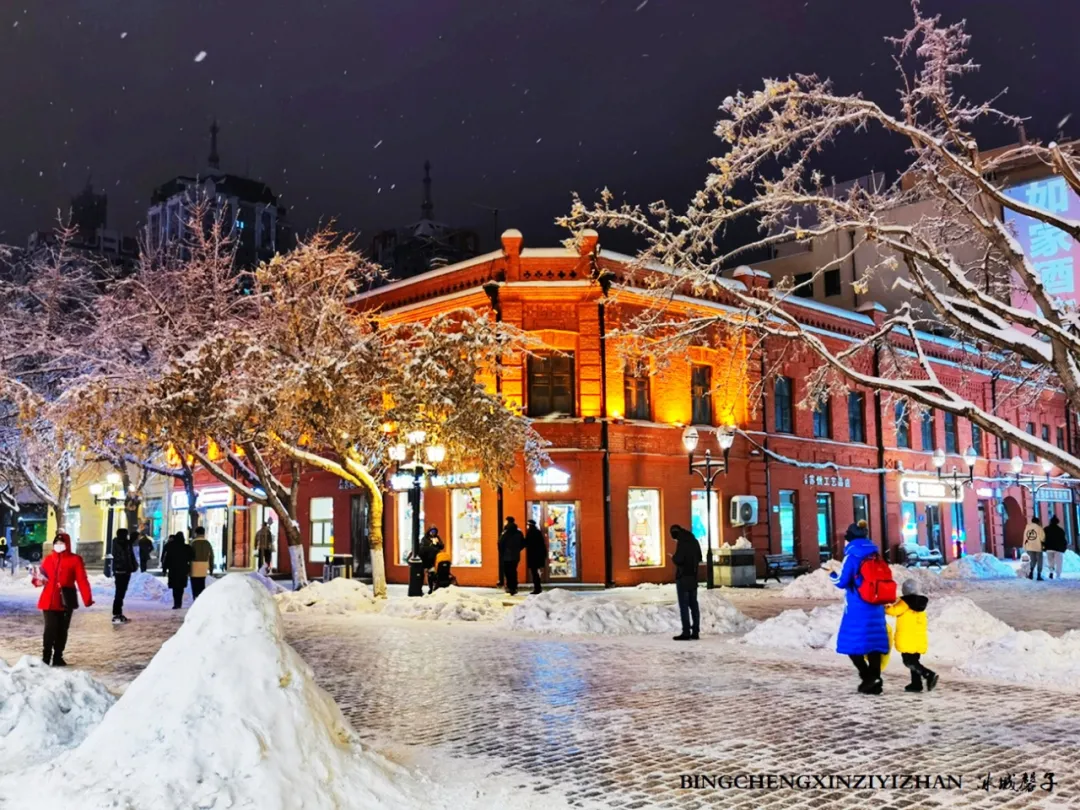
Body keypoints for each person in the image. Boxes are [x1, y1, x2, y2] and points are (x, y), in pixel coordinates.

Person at [832, 522, 891, 694]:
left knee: (851, 644)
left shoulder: (852, 556)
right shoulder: (875, 554)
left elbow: (842, 582)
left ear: (850, 537)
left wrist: (831, 574)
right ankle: (876, 680)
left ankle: (868, 677)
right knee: (873, 645)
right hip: (876, 604)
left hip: (857, 608)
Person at [33, 532, 93, 666]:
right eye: (56, 543)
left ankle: (58, 656)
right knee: (50, 628)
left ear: (67, 544)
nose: (59, 546)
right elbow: (41, 577)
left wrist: (87, 598)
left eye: (61, 543)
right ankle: (46, 656)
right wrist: (37, 579)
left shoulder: (75, 560)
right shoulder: (49, 559)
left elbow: (82, 580)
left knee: (62, 629)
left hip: (66, 600)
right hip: (48, 599)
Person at [886, 578, 939, 693]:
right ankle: (916, 684)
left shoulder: (904, 602)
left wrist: (885, 606)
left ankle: (928, 674)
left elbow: (893, 611)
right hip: (917, 639)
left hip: (907, 638)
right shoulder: (919, 603)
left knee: (908, 662)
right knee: (914, 661)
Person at [670, 524, 702, 641]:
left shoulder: (682, 543)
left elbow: (679, 559)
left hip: (683, 577)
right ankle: (696, 631)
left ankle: (686, 632)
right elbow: (699, 557)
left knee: (684, 606)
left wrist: (673, 557)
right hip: (693, 577)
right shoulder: (694, 541)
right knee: (694, 604)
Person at [111, 527, 138, 624]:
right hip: (122, 571)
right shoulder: (121, 544)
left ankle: (117, 612)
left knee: (120, 592)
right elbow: (125, 555)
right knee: (120, 592)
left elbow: (132, 540)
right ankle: (117, 613)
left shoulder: (121, 543)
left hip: (123, 571)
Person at [160, 532, 193, 609]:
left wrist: (164, 570)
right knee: (180, 587)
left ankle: (176, 603)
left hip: (173, 569)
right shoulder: (187, 547)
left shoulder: (171, 546)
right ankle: (179, 602)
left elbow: (166, 559)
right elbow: (192, 557)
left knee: (175, 587)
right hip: (183, 569)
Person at [498, 517, 525, 595]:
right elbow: (523, 543)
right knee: (513, 570)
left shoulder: (505, 532)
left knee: (507, 571)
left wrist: (502, 553)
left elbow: (500, 543)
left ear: (507, 521)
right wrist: (517, 550)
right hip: (515, 556)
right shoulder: (519, 532)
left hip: (506, 556)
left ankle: (510, 587)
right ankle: (514, 587)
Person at [190, 526, 214, 601]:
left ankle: (195, 597)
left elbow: (189, 555)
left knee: (194, 584)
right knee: (202, 583)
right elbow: (212, 556)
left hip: (194, 566)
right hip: (204, 566)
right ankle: (201, 599)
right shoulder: (207, 543)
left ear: (196, 533)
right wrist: (211, 568)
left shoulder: (193, 543)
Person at [525, 519, 547, 595]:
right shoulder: (538, 532)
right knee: (536, 572)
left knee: (534, 573)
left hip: (533, 556)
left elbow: (526, 543)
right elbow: (542, 544)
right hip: (538, 556)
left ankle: (537, 588)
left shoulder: (530, 533)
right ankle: (538, 587)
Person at [1043, 515, 1067, 580]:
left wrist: (1043, 547)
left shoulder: (1046, 529)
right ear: (1057, 522)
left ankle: (1051, 572)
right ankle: (1058, 575)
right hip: (1058, 548)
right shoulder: (1060, 530)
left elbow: (1043, 539)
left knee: (1050, 561)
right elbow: (1063, 540)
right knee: (1059, 562)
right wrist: (1064, 548)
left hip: (1049, 548)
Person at [1023, 517, 1045, 581]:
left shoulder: (1027, 528)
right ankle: (1039, 575)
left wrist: (1025, 546)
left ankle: (1031, 573)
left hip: (1029, 547)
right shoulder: (1039, 528)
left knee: (1032, 560)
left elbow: (1025, 538)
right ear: (1037, 522)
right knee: (1039, 561)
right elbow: (1042, 538)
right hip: (1038, 547)